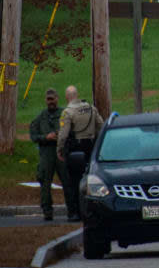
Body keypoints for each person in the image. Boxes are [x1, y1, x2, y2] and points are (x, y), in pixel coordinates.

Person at [56, 85, 103, 222]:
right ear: (77, 95)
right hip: (91, 146)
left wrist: (59, 149)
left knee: (74, 181)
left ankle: (76, 212)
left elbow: (63, 135)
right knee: (91, 178)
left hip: (76, 148)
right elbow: (100, 125)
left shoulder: (67, 112)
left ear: (67, 97)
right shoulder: (90, 108)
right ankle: (92, 209)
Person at [29, 89, 71, 221]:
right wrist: (46, 137)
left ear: (57, 99)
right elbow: (33, 136)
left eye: (53, 99)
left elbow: (72, 131)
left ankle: (72, 210)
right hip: (46, 154)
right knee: (45, 183)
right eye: (48, 99)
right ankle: (47, 211)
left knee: (68, 181)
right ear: (45, 100)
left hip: (61, 153)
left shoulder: (64, 114)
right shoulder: (41, 117)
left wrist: (60, 136)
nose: (51, 102)